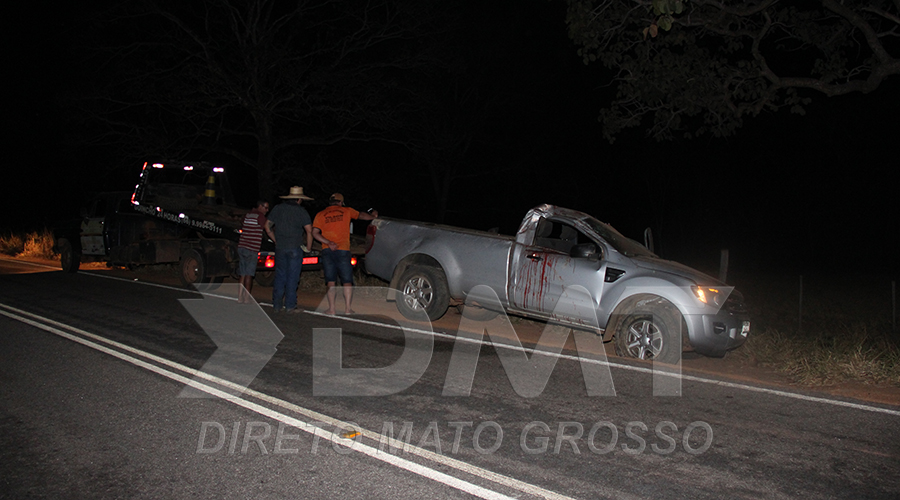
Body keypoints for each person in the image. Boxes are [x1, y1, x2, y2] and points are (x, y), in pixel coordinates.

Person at [312, 193, 377, 315]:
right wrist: (372, 216)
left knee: (330, 281)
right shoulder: (346, 211)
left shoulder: (320, 214)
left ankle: (331, 309)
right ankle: (348, 308)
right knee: (347, 280)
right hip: (343, 250)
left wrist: (328, 242)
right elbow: (361, 216)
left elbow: (315, 233)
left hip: (327, 250)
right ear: (341, 202)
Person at [265, 186, 314, 313]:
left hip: (280, 247)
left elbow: (267, 226)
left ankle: (276, 304)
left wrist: (275, 239)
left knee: (280, 275)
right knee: (292, 276)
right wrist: (308, 247)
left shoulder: (278, 209)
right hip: (295, 247)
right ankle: (290, 305)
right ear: (299, 199)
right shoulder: (301, 211)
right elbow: (309, 231)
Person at [237, 200, 271, 304]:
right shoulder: (260, 217)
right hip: (251, 248)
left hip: (242, 246)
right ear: (260, 206)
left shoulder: (247, 215)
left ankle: (239, 297)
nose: (267, 210)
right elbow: (267, 228)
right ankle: (247, 298)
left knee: (242, 274)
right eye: (265, 207)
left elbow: (242, 224)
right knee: (249, 274)